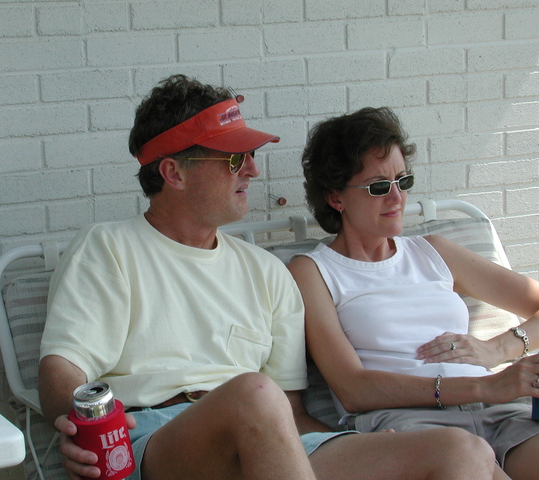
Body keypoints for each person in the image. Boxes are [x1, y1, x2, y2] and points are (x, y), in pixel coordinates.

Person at [38, 76, 503, 480]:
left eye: (250, 156)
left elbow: (291, 415)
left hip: (269, 440)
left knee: (460, 451)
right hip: (160, 439)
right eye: (234, 159)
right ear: (173, 172)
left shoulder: (266, 272)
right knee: (253, 393)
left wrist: (361, 447)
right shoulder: (109, 248)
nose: (253, 170)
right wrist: (79, 429)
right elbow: (63, 369)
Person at [287, 106, 539, 480]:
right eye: (378, 187)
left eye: (402, 181)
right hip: (410, 426)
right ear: (335, 197)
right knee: (469, 460)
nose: (396, 198)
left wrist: (499, 349)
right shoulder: (313, 271)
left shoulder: (433, 251)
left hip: (495, 413)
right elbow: (354, 389)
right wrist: (485, 384)